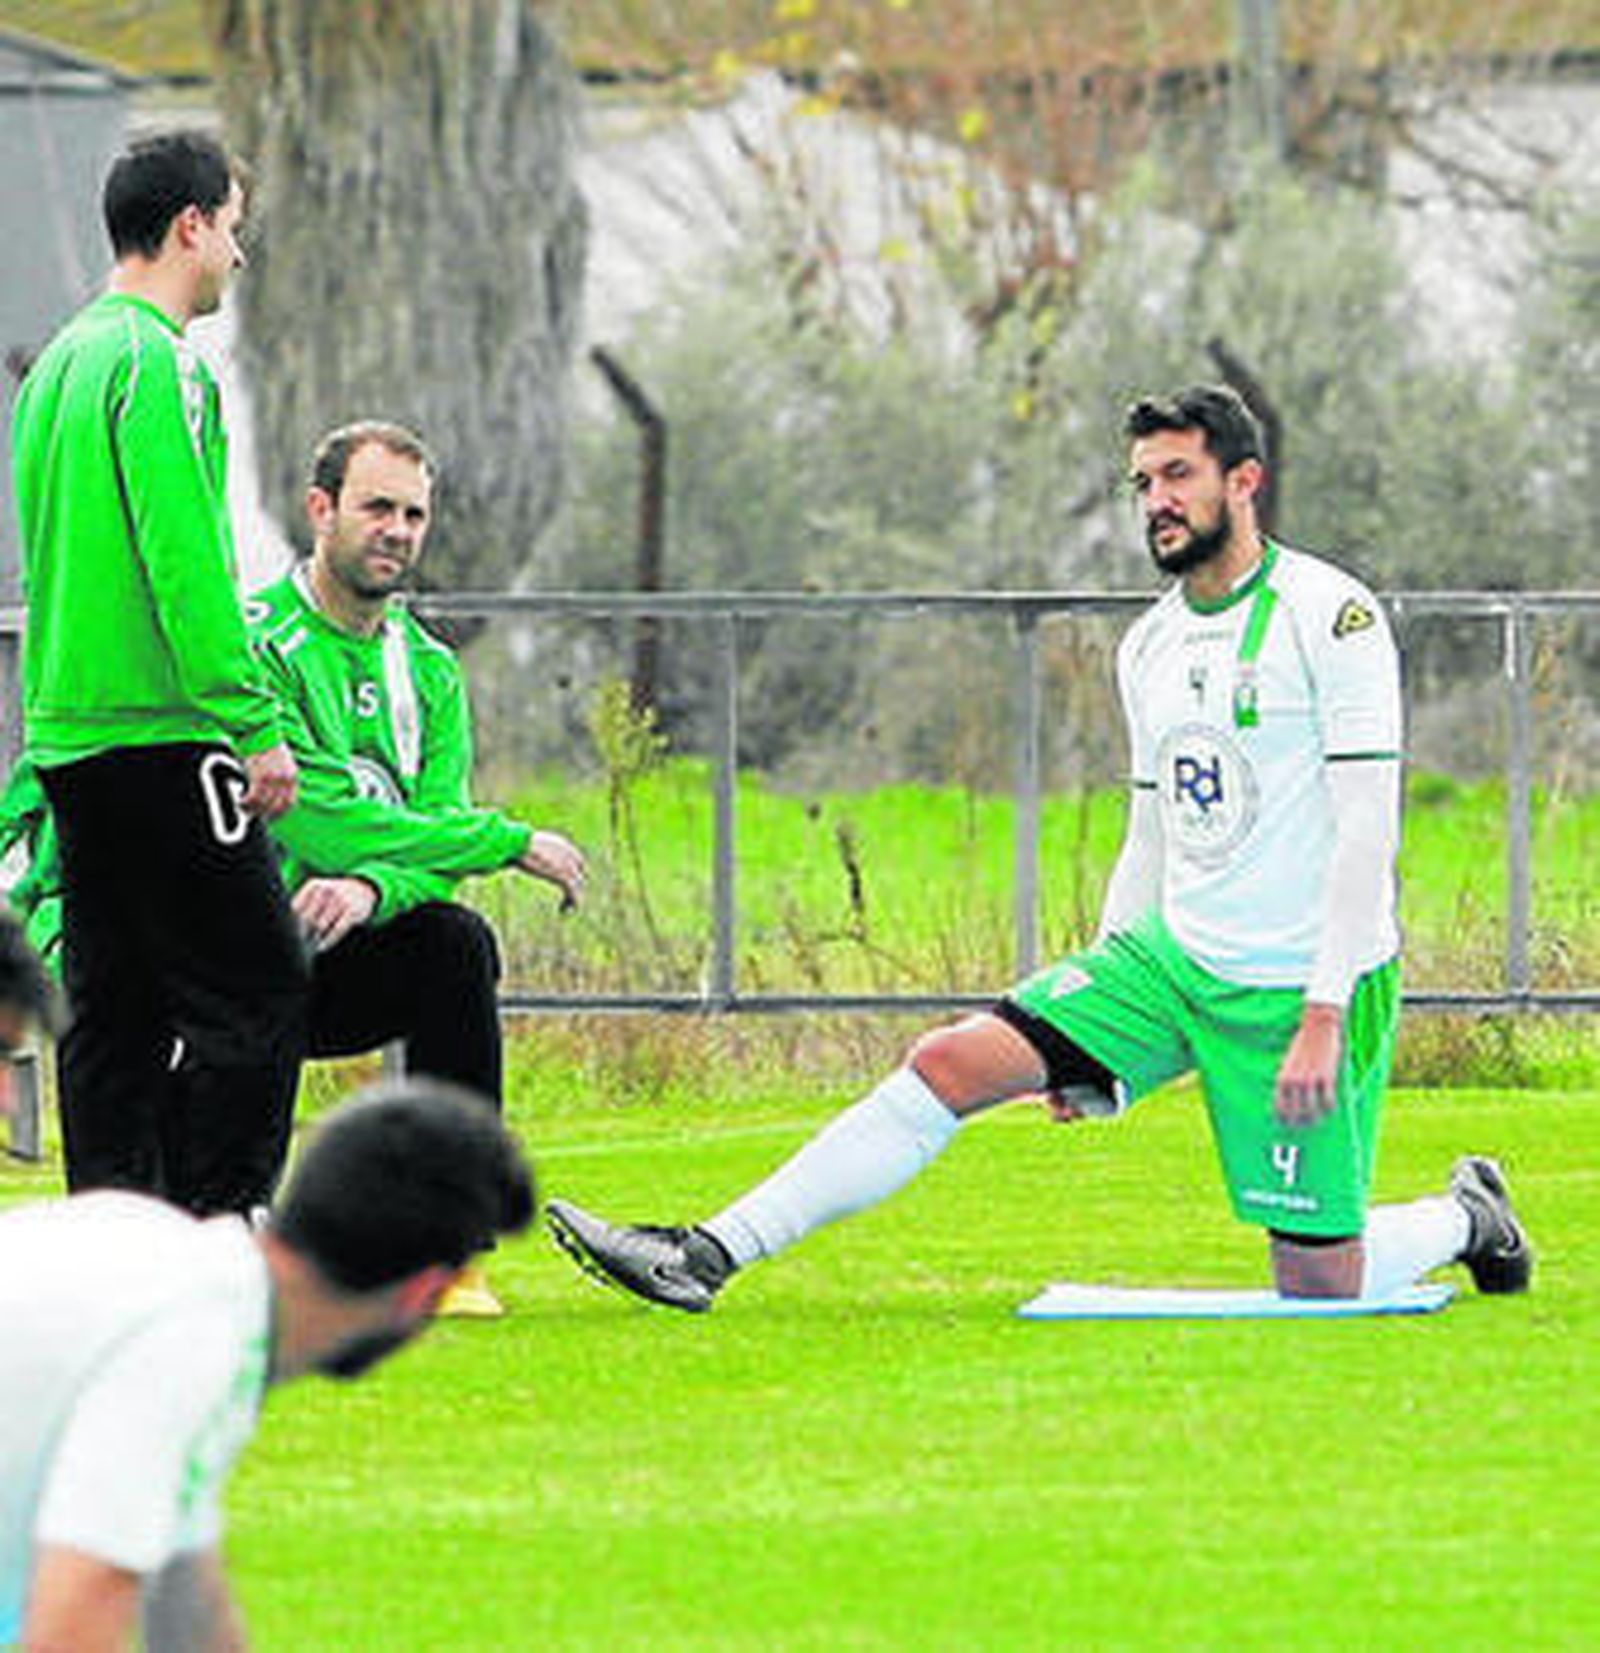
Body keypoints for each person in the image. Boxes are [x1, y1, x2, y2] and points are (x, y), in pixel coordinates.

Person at [546, 384, 1533, 1311]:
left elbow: (1368, 830)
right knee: (946, 1063)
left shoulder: (1333, 617)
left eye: (1178, 476)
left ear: (1243, 482)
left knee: (1319, 1287)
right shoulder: (1146, 645)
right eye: (1142, 482)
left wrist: (1323, 1012)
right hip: (1170, 962)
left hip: (1300, 983)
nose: (1156, 501)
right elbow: (1151, 832)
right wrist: (1100, 1018)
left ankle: (1465, 1216)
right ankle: (704, 1253)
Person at [9, 130, 307, 1217]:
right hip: (163, 733)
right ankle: (218, 1229)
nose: (238, 254)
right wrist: (250, 718)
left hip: (71, 738)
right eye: (234, 228)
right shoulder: (159, 363)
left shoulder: (59, 366)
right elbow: (182, 559)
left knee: (115, 1011)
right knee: (259, 985)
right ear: (192, 225)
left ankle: (112, 1241)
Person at [0, 1074, 535, 1651]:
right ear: (424, 1292)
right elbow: (74, 1618)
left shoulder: (174, 1267)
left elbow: (188, 1603)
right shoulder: (194, 1339)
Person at [248, 419, 586, 1314]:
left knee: (453, 943)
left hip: (350, 948)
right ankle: (246, 1231)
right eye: (376, 508)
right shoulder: (256, 645)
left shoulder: (430, 672)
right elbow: (318, 815)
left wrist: (369, 887)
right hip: (234, 954)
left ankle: (448, 1253)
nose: (397, 530)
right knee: (257, 941)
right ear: (321, 510)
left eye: (414, 514)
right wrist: (509, 841)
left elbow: (429, 839)